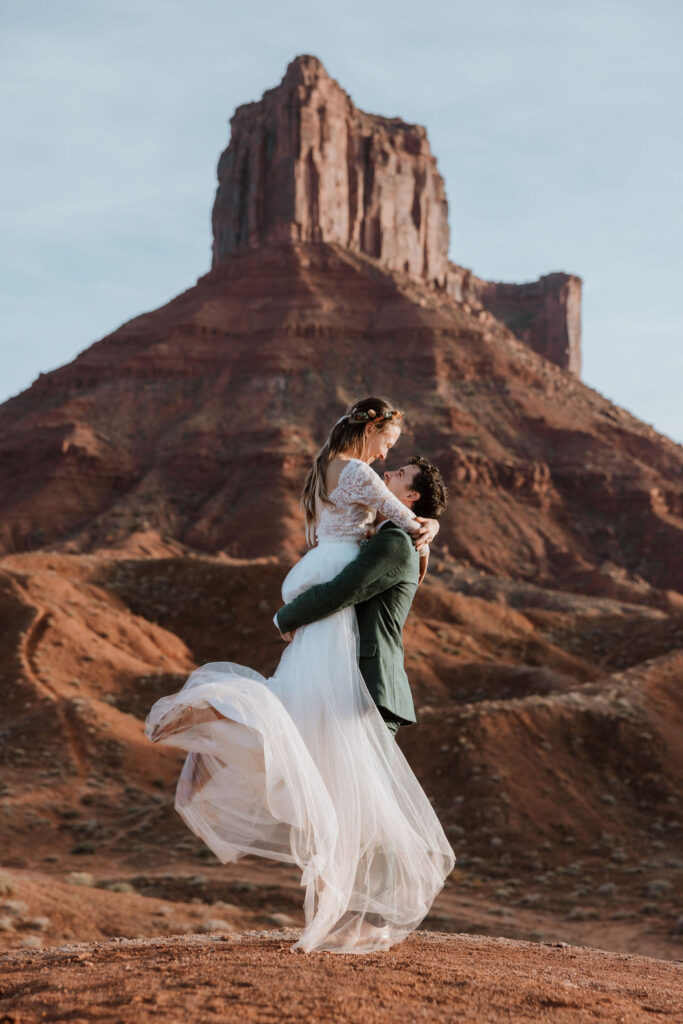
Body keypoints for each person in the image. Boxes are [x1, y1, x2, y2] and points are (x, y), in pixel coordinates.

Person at [144, 397, 456, 954]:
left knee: (305, 739)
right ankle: (366, 916)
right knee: (359, 795)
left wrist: (422, 526)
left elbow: (371, 559)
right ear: (371, 429)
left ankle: (217, 721)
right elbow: (350, 584)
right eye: (389, 445)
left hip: (340, 622)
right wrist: (425, 527)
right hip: (359, 667)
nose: (389, 460)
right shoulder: (386, 527)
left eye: (399, 468)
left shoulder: (348, 490)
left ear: (408, 490)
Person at [275, 456, 449, 739]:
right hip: (356, 686)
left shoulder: (394, 542)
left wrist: (285, 617)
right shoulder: (386, 537)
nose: (387, 473)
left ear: (411, 496)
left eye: (399, 473)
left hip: (372, 690)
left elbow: (344, 590)